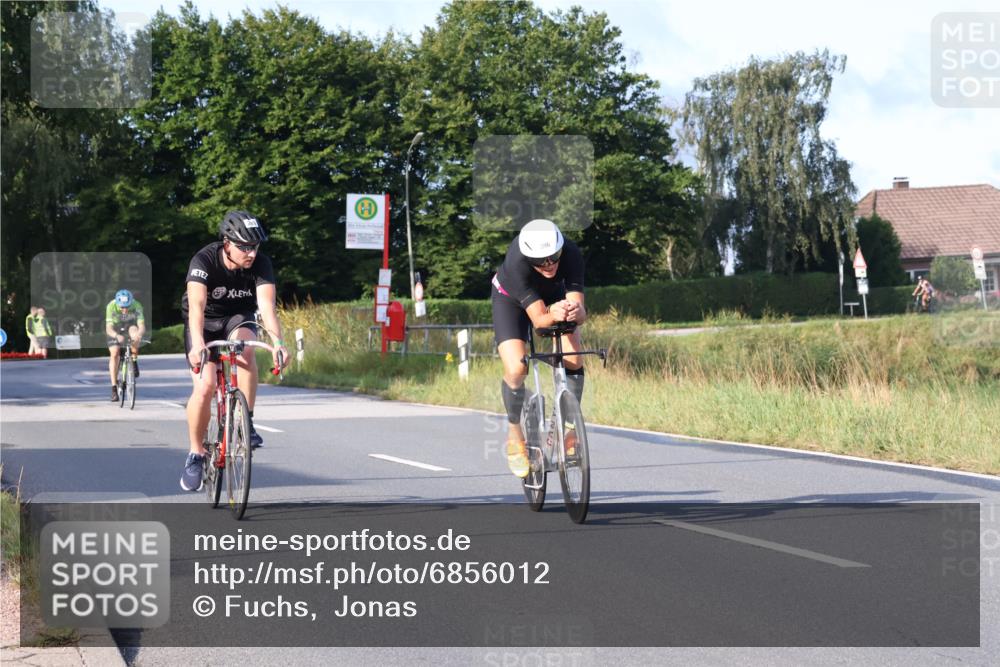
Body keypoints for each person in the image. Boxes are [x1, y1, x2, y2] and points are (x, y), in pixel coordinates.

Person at [180, 210, 289, 492]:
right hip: (203, 323)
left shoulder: (261, 264)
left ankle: (246, 420)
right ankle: (195, 453)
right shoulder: (203, 260)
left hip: (237, 317)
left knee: (245, 350)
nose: (250, 253)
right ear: (226, 243)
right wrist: (197, 344)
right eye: (244, 247)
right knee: (204, 387)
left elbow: (266, 307)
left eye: (254, 247)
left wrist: (278, 342)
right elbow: (197, 308)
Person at [491, 219, 587, 478]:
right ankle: (515, 435)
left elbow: (581, 310)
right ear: (529, 257)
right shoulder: (517, 263)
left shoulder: (572, 253)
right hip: (511, 301)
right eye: (540, 261)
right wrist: (553, 313)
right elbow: (539, 321)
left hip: (554, 297)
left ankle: (570, 431)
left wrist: (575, 311)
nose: (549, 264)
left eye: (554, 257)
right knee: (516, 368)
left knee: (574, 357)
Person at [105, 289, 146, 402]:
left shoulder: (137, 305)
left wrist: (139, 334)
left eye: (127, 306)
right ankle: (114, 388)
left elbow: (141, 325)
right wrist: (116, 335)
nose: (124, 310)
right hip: (115, 328)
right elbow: (109, 328)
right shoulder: (111, 306)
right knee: (114, 353)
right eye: (122, 307)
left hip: (130, 325)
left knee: (135, 333)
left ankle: (134, 358)